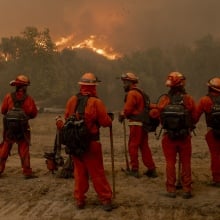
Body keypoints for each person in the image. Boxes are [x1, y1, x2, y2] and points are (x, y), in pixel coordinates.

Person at [56, 72, 114, 211]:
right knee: (97, 173)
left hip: (74, 143)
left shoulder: (71, 100)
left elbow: (66, 118)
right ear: (94, 87)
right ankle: (106, 200)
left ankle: (80, 200)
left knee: (79, 173)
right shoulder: (96, 102)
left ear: (81, 85)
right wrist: (110, 118)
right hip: (91, 143)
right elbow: (105, 122)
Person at [157, 72, 197, 199]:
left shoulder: (165, 99)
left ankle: (171, 189)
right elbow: (194, 116)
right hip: (185, 136)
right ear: (182, 83)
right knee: (186, 162)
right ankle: (186, 189)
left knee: (170, 163)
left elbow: (160, 115)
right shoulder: (188, 99)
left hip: (169, 136)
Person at [118, 72, 158, 178]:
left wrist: (122, 114)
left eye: (124, 82)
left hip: (136, 124)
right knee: (144, 146)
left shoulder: (132, 94)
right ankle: (151, 169)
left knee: (133, 146)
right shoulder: (141, 92)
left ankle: (134, 169)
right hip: (144, 124)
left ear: (129, 82)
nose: (123, 85)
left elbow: (128, 109)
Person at [0, 74, 38, 179]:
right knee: (24, 148)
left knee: (5, 147)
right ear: (25, 87)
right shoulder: (29, 99)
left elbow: (3, 110)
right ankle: (27, 172)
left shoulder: (8, 96)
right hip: (23, 129)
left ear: (16, 86)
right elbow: (33, 113)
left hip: (9, 129)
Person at [196, 77, 220, 187]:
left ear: (210, 88)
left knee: (215, 155)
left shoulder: (205, 100)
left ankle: (217, 179)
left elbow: (195, 116)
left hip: (212, 132)